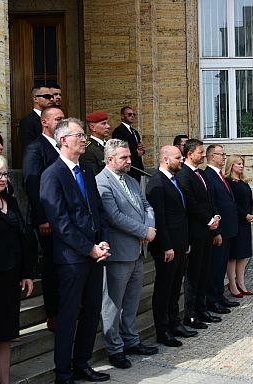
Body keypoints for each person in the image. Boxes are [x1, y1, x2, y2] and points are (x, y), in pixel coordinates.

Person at [40, 118, 111, 384]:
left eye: (84, 135)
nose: (84, 139)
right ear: (63, 140)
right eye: (79, 135)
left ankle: (83, 364)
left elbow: (98, 211)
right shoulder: (52, 174)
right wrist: (89, 248)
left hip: (95, 254)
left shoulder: (87, 172)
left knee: (92, 311)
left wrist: (102, 242)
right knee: (69, 316)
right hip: (72, 259)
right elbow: (60, 223)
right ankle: (64, 373)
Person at [96, 139, 158, 368]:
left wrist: (149, 229)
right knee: (112, 303)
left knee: (132, 301)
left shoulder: (131, 180)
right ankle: (114, 348)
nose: (129, 161)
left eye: (129, 156)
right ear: (110, 159)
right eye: (124, 157)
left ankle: (131, 340)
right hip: (119, 253)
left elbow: (147, 206)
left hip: (138, 250)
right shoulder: (101, 182)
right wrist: (144, 230)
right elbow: (113, 217)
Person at [0, 153, 34, 384]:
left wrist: (26, 273)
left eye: (4, 174)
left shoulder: (10, 201)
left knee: (6, 338)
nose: (3, 179)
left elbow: (22, 239)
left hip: (10, 281)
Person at [146, 145, 197, 347]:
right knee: (164, 289)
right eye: (178, 157)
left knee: (175, 287)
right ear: (166, 159)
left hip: (180, 244)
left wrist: (185, 243)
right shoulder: (156, 184)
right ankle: (163, 330)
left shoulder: (173, 181)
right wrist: (167, 246)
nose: (182, 161)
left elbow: (180, 215)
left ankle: (175, 323)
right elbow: (159, 219)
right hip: (167, 247)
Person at [22, 107, 63, 331]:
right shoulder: (35, 147)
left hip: (66, 219)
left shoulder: (62, 148)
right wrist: (42, 218)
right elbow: (31, 182)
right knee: (51, 265)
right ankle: (53, 313)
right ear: (45, 123)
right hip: (47, 219)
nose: (61, 122)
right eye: (57, 119)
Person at [177, 139, 221, 330]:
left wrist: (215, 217)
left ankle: (202, 309)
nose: (203, 155)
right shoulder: (183, 175)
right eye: (200, 152)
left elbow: (209, 199)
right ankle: (190, 314)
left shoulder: (201, 173)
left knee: (204, 272)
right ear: (190, 154)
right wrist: (208, 220)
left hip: (207, 231)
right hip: (194, 232)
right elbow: (191, 203)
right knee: (193, 275)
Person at [204, 144, 240, 311]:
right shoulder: (208, 175)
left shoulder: (219, 175)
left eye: (225, 154)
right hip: (219, 229)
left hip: (228, 228)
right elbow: (212, 204)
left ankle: (220, 296)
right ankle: (213, 300)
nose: (224, 157)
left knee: (222, 265)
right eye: (221, 154)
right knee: (216, 266)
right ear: (212, 157)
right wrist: (216, 231)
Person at [225, 154, 253, 297]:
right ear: (231, 165)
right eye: (238, 163)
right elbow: (232, 204)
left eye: (242, 163)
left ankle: (241, 282)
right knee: (233, 255)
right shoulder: (228, 182)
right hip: (235, 221)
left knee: (243, 254)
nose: (241, 166)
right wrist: (244, 215)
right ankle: (232, 284)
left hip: (245, 223)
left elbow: (249, 200)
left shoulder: (243, 182)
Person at [112, 106, 145, 182]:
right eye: (129, 114)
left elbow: (138, 147)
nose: (132, 116)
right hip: (127, 167)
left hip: (137, 167)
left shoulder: (134, 131)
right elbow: (119, 150)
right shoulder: (119, 131)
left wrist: (141, 150)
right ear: (122, 116)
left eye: (134, 114)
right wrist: (136, 153)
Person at [19, 86, 55, 152]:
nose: (52, 99)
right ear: (35, 99)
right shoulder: (27, 121)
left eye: (52, 96)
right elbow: (30, 149)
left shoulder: (55, 118)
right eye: (47, 96)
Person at [79, 111, 111, 175]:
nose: (108, 126)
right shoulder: (88, 150)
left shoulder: (109, 145)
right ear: (92, 127)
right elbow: (94, 176)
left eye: (107, 123)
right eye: (103, 124)